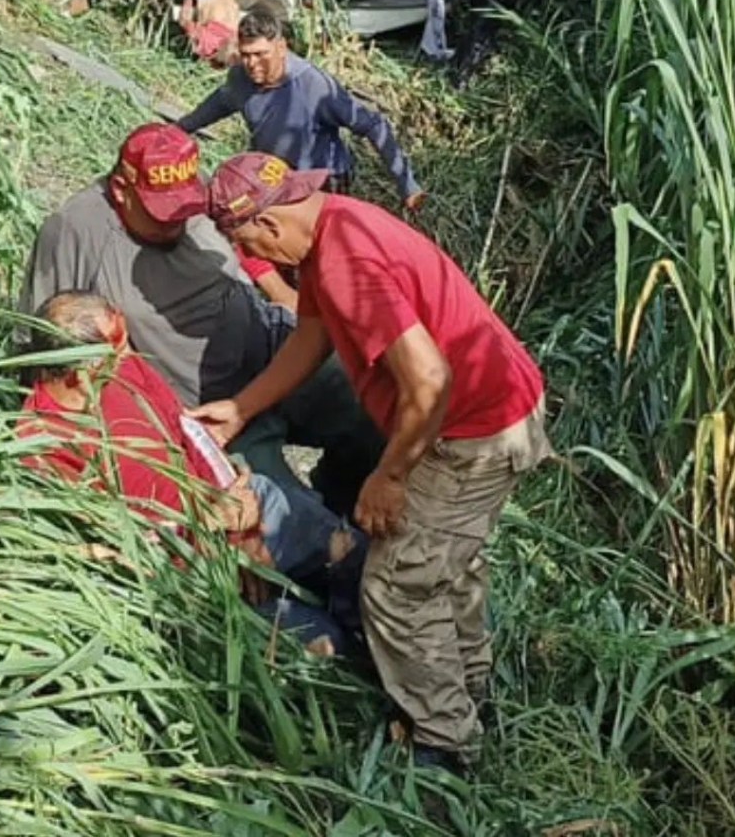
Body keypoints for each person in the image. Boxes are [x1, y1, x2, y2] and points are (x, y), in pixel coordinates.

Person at [193, 152, 552, 774]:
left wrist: (388, 476)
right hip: (498, 407)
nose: (247, 254)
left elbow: (430, 381)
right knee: (446, 564)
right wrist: (242, 408)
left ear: (268, 226)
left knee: (396, 588)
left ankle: (446, 748)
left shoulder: (346, 262)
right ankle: (470, 690)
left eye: (240, 238)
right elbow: (313, 335)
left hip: (473, 433)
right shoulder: (335, 226)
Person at [18, 122, 384, 516]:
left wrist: (280, 292)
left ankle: (347, 500)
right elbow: (43, 350)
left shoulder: (186, 190)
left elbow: (246, 238)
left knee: (375, 405)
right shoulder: (75, 230)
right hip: (204, 409)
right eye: (161, 215)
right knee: (283, 523)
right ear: (123, 192)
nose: (177, 221)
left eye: (186, 209)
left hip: (273, 348)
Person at [20, 291, 367, 652]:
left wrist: (238, 523)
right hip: (188, 572)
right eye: (116, 342)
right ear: (81, 372)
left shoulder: (124, 369)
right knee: (324, 648)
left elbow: (189, 432)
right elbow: (107, 548)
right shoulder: (44, 447)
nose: (126, 351)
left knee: (351, 558)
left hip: (239, 510)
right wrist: (205, 534)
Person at [178, 6, 425, 210]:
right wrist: (178, 130)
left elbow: (374, 125)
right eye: (246, 55)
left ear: (281, 48)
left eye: (260, 54)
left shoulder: (314, 86)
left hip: (321, 181)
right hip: (274, 176)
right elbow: (218, 104)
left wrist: (408, 186)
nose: (252, 64)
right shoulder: (240, 78)